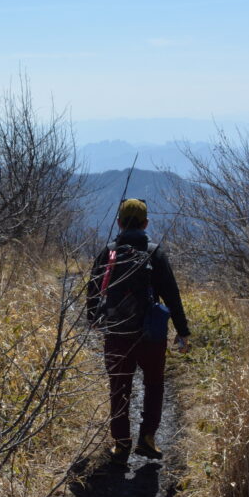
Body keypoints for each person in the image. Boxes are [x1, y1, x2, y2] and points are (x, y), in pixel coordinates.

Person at [86, 198, 191, 465]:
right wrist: (182, 331)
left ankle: (121, 444)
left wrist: (93, 320)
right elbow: (172, 294)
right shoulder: (155, 253)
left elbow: (93, 290)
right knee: (154, 384)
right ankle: (148, 438)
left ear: (119, 222)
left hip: (117, 332)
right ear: (146, 223)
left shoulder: (108, 252)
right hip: (151, 334)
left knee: (119, 386)